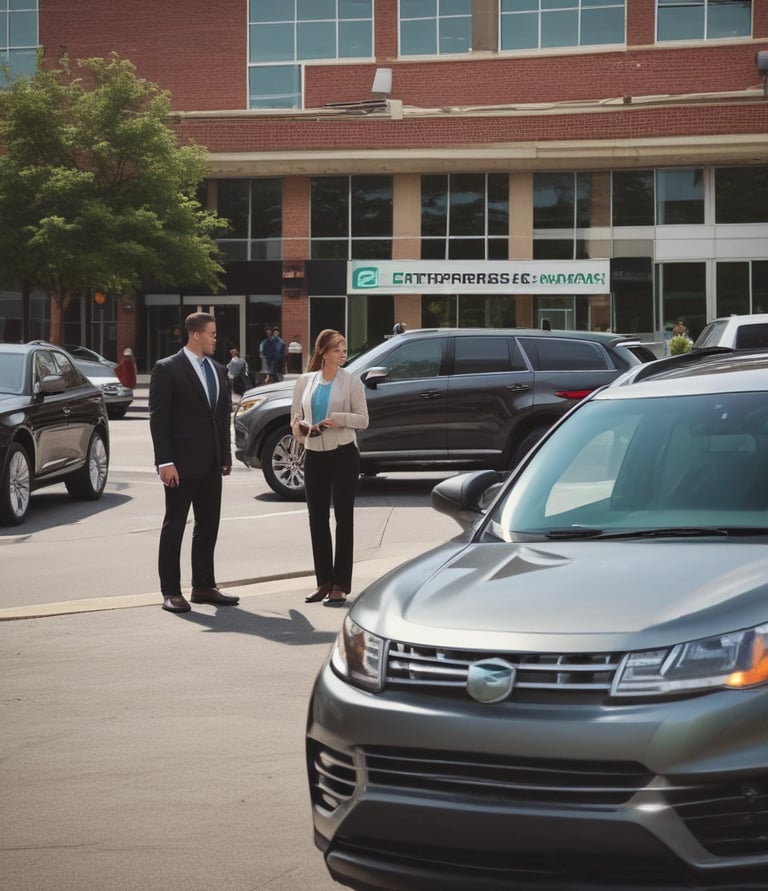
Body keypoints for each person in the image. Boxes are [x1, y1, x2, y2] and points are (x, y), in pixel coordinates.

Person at [148, 311, 238, 613]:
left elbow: (222, 416)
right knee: (174, 526)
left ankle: (203, 586)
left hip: (211, 463)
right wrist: (165, 461)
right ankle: (171, 591)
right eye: (212, 334)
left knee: (208, 525)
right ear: (195, 334)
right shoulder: (167, 369)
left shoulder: (218, 369)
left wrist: (225, 456)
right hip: (180, 465)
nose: (216, 339)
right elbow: (159, 420)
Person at [291, 329, 369, 606]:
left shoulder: (351, 381)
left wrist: (337, 419)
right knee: (317, 519)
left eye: (344, 349)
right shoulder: (305, 381)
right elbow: (295, 418)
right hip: (314, 455)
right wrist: (303, 430)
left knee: (344, 519)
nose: (342, 354)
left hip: (344, 454)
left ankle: (340, 584)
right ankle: (323, 581)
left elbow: (363, 420)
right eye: (337, 349)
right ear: (323, 352)